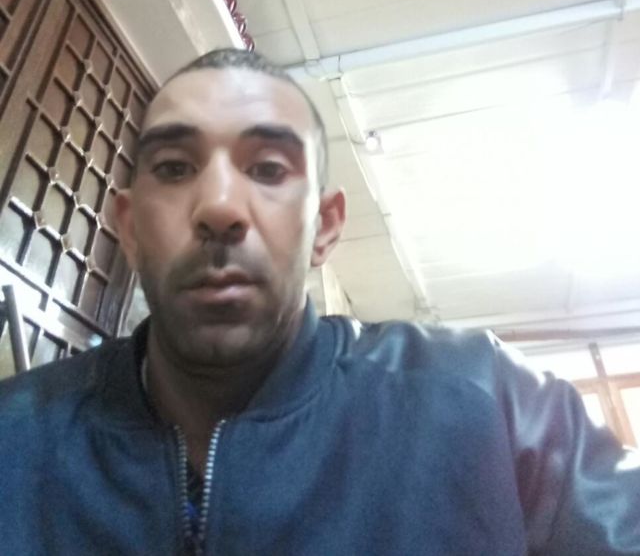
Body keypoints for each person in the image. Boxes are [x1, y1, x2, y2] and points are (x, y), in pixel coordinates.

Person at [0, 47, 639, 556]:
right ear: (131, 227)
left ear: (325, 227)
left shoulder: (490, 400)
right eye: (173, 167)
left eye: (268, 169)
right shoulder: (15, 436)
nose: (219, 206)